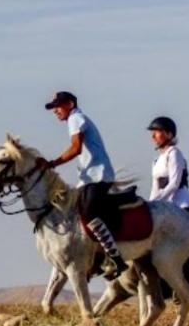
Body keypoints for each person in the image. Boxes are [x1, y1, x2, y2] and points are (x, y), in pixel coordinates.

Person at [38, 91, 126, 279]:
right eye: (54, 108)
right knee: (74, 213)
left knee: (89, 213)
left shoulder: (76, 118)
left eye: (58, 106)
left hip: (98, 176)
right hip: (89, 178)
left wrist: (52, 163)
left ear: (70, 104)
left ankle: (114, 259)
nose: (55, 111)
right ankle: (93, 259)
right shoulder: (75, 119)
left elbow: (76, 148)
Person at [147, 116, 189, 215]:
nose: (153, 136)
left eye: (157, 132)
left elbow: (174, 184)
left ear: (169, 134)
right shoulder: (156, 161)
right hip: (166, 207)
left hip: (181, 206)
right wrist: (149, 205)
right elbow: (155, 188)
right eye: (152, 132)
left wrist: (156, 201)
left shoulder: (174, 154)